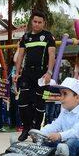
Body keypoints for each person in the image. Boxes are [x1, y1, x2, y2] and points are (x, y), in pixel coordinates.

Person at [14, 11, 56, 141]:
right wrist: (17, 73)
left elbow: (52, 55)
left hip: (42, 75)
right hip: (27, 73)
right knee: (22, 102)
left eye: (40, 22)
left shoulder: (48, 36)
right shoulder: (25, 37)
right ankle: (26, 128)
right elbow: (20, 56)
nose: (37, 24)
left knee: (39, 104)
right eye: (35, 22)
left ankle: (36, 130)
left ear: (43, 23)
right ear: (31, 22)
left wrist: (49, 72)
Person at [37, 77, 79, 156]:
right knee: (47, 142)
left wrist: (59, 135)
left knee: (71, 143)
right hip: (66, 144)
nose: (61, 98)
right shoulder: (65, 111)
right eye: (61, 94)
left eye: (65, 94)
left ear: (77, 97)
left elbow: (76, 132)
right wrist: (41, 133)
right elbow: (55, 125)